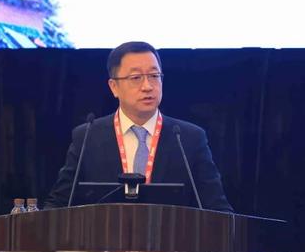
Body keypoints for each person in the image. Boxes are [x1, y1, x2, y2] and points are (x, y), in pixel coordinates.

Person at [44, 41, 233, 212]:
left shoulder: (189, 138)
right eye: (136, 78)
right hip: (104, 239)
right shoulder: (88, 137)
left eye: (154, 76)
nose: (147, 86)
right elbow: (59, 204)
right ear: (114, 87)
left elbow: (217, 209)